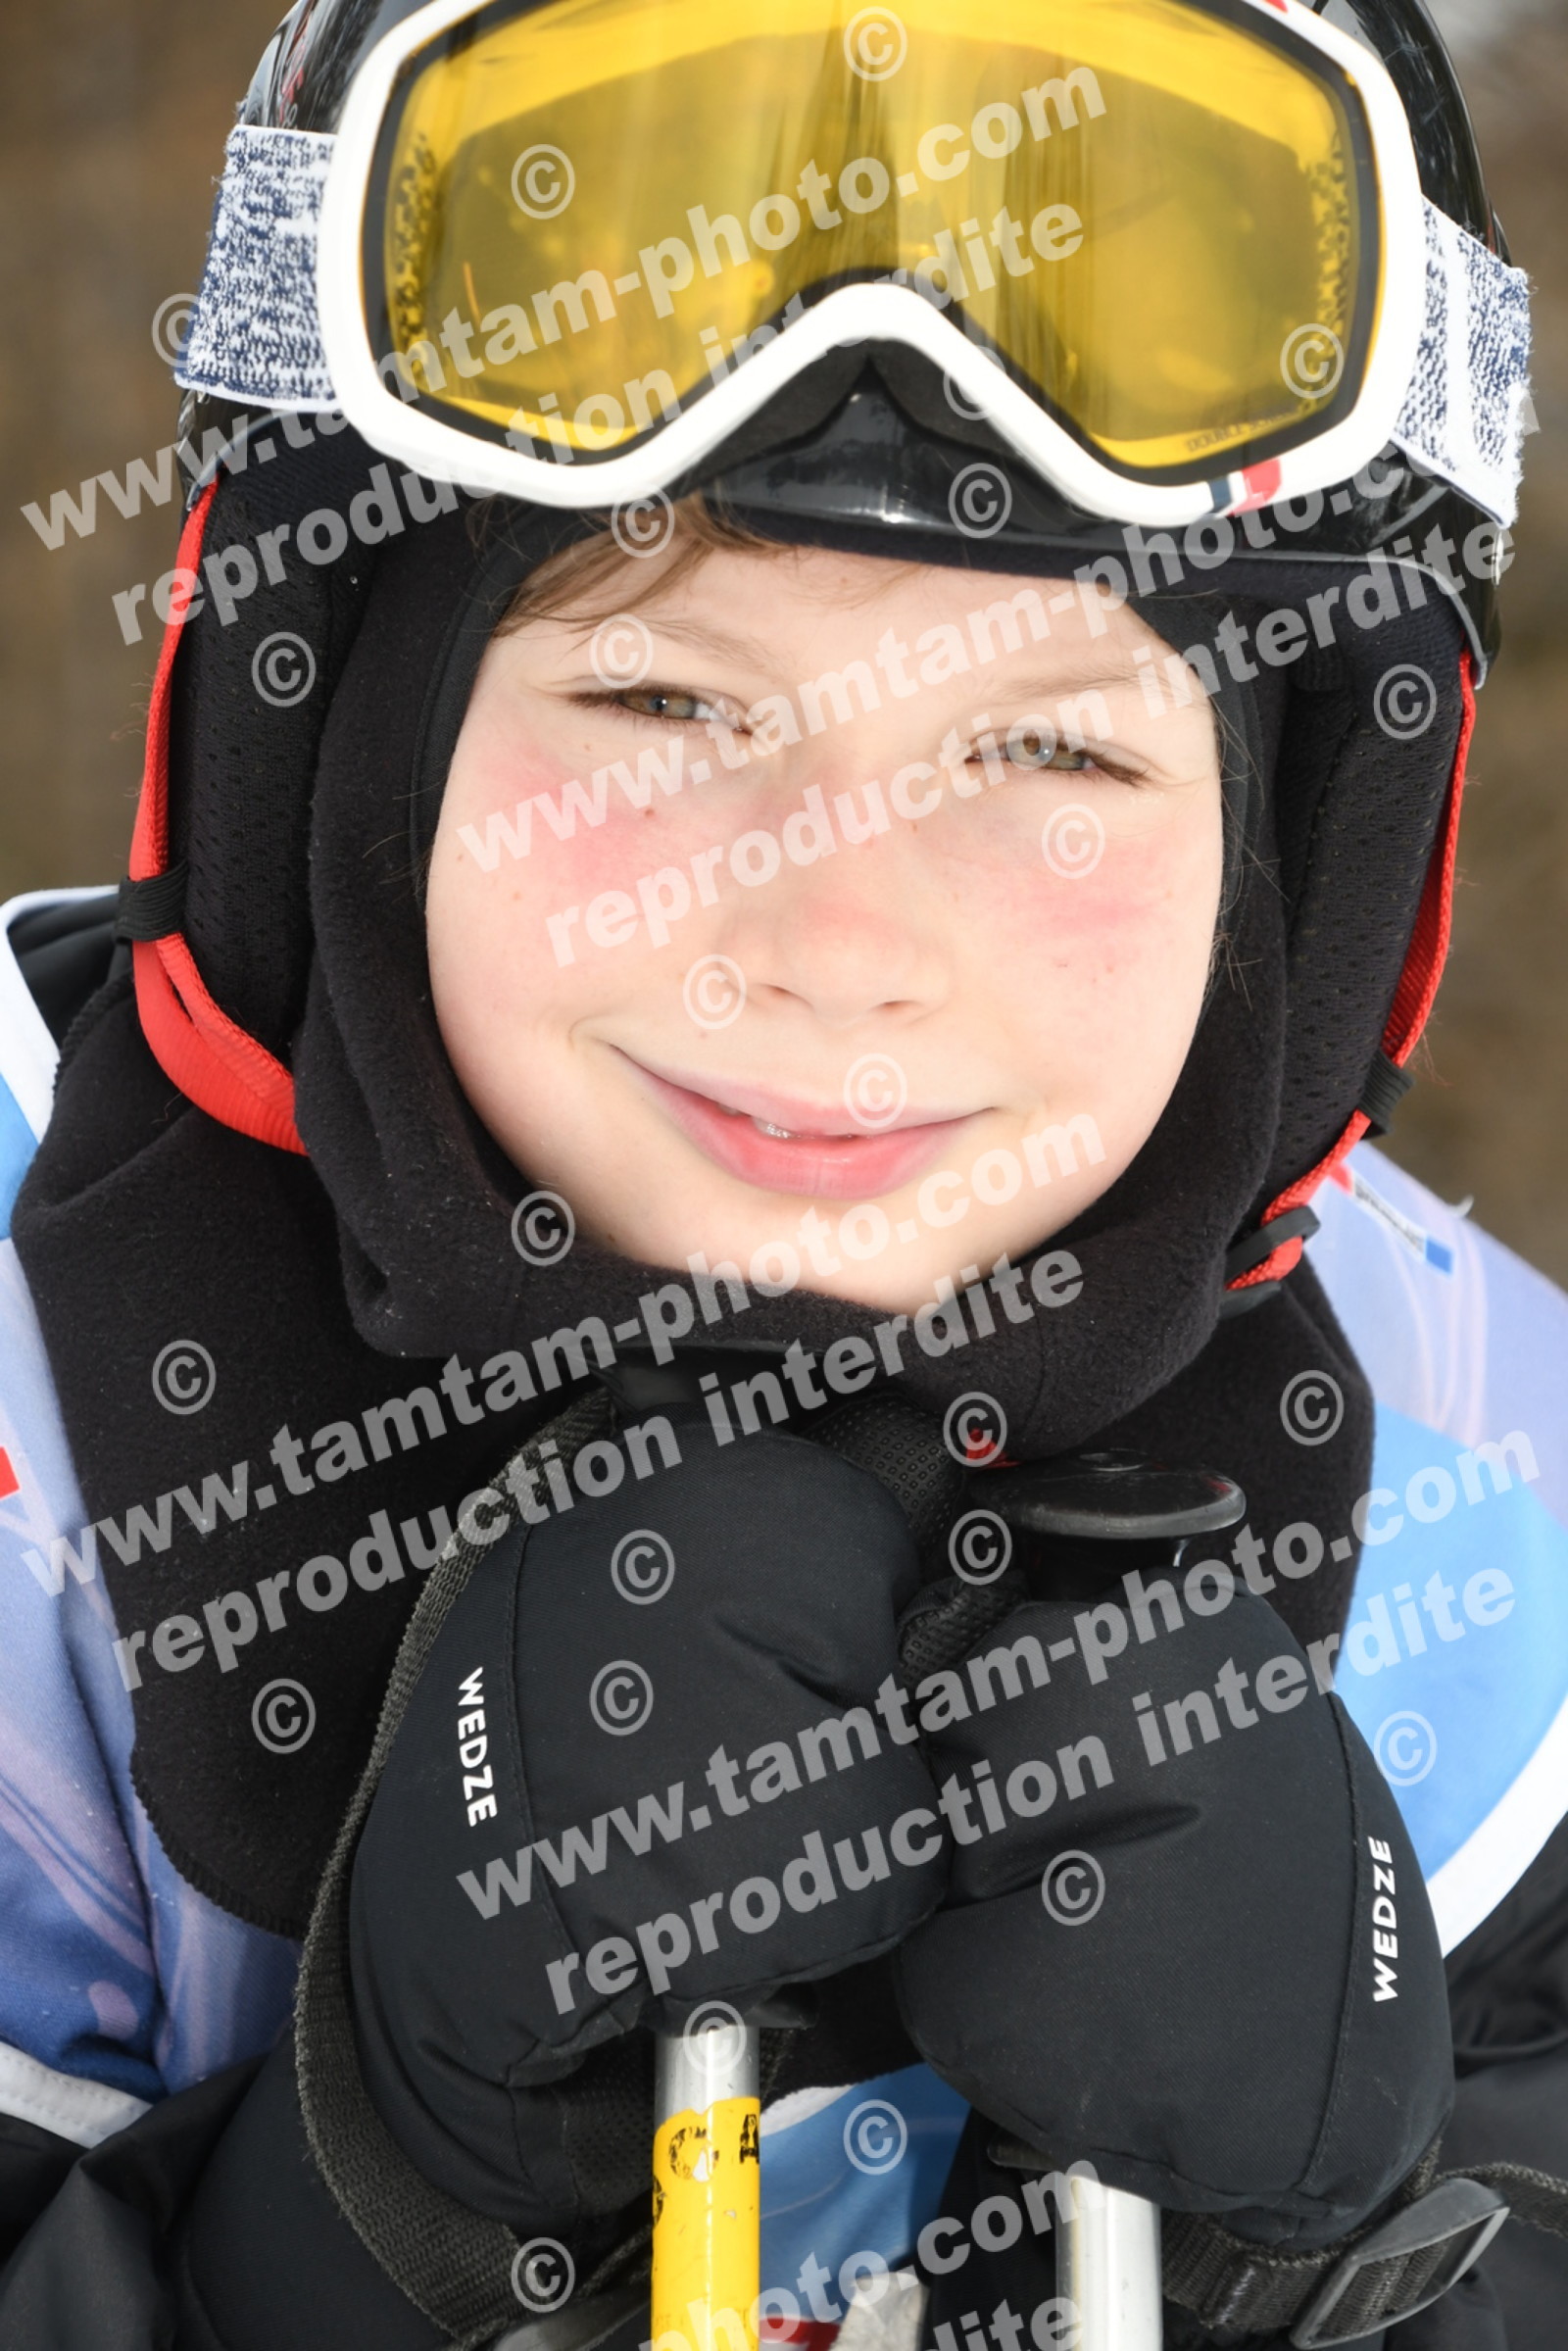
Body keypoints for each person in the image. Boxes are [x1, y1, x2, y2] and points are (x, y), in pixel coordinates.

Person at [0, 1, 1564, 2345]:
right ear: (337, 737)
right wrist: (353, 2218)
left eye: (1047, 751)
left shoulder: (1487, 1520)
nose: (836, 940)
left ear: (1294, 870)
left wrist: (1339, 2274)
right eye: (659, 704)